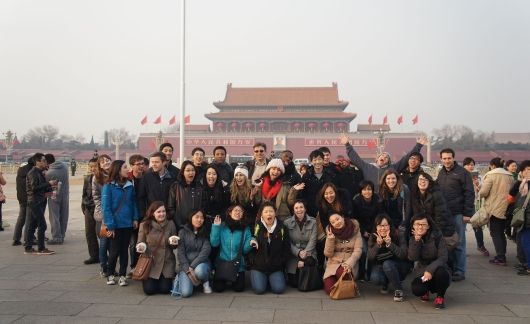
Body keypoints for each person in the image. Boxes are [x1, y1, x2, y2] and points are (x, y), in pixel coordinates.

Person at [340, 133, 427, 192]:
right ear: (377, 159)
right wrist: (347, 144)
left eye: (386, 158)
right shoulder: (367, 167)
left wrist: (418, 145)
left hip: (387, 199)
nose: (384, 157)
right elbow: (356, 159)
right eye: (382, 156)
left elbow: (406, 158)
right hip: (370, 197)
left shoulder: (392, 168)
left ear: (388, 162)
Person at [435, 148, 474, 282]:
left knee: (459, 243)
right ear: (441, 159)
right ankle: (450, 267)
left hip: (458, 213)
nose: (447, 161)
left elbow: (469, 193)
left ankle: (460, 271)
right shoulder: (441, 173)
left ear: (453, 158)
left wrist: (467, 213)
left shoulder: (462, 173)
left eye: (449, 158)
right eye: (444, 158)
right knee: (447, 242)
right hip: (444, 214)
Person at [102, 160, 139, 287]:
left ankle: (123, 275)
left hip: (127, 223)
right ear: (118, 169)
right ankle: (110, 273)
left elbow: (133, 203)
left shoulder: (130, 185)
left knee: (124, 250)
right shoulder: (109, 186)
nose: (127, 169)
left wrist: (135, 218)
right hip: (115, 224)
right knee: (114, 250)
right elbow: (106, 207)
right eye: (124, 167)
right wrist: (110, 225)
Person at [408, 213, 451, 309]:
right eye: (417, 224)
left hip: (438, 268)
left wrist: (430, 270)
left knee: (441, 273)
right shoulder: (413, 238)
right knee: (417, 289)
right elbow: (412, 257)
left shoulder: (438, 236)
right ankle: (425, 291)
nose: (420, 227)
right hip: (422, 270)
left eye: (423, 224)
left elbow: (443, 257)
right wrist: (417, 241)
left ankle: (440, 297)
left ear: (428, 226)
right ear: (413, 226)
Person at [248, 202, 291, 295]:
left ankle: (270, 280)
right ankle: (261, 279)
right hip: (259, 266)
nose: (269, 214)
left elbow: (287, 248)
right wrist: (253, 260)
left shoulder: (282, 227)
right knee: (259, 290)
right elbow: (249, 247)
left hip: (275, 267)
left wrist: (280, 262)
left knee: (279, 289)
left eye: (271, 211)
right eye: (266, 212)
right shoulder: (256, 227)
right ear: (262, 214)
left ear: (275, 213)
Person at [136, 201, 178, 295]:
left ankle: (162, 280)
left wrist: (173, 242)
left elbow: (175, 246)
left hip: (166, 262)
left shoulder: (171, 224)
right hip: (151, 262)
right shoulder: (145, 225)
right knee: (149, 290)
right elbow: (140, 242)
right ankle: (151, 281)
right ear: (153, 213)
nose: (162, 214)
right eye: (159, 212)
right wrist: (141, 246)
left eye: (163, 211)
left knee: (165, 290)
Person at [479, 157, 515, 266]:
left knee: (495, 233)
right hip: (507, 208)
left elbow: (483, 192)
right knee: (501, 233)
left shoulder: (491, 175)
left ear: (492, 165)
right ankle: (502, 254)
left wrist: (479, 190)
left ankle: (500, 257)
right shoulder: (510, 176)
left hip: (495, 208)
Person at [210, 205, 253, 292]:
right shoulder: (222, 226)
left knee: (239, 288)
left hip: (238, 265)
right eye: (235, 210)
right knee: (218, 289)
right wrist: (216, 227)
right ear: (230, 213)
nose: (238, 212)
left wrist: (251, 242)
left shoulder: (246, 228)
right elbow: (214, 244)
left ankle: (231, 278)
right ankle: (225, 278)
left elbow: (244, 250)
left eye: (240, 211)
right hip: (222, 263)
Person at [367, 214, 410, 302]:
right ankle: (386, 283)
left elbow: (403, 254)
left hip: (399, 266)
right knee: (375, 278)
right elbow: (370, 257)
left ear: (390, 225)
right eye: (380, 226)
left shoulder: (398, 234)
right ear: (376, 227)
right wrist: (377, 245)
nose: (383, 228)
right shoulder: (373, 237)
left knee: (387, 264)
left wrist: (390, 244)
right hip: (381, 266)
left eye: (385, 225)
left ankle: (398, 289)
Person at [411, 171, 457, 252]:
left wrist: (434, 234)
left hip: (442, 229)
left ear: (430, 182)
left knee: (441, 253)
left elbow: (441, 217)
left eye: (425, 180)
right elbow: (417, 216)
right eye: (420, 179)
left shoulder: (436, 195)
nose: (422, 182)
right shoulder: (415, 195)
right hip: (427, 228)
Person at [24, 152, 57, 255]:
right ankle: (41, 248)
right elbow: (34, 188)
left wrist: (51, 187)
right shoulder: (33, 172)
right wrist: (48, 184)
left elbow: (40, 187)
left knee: (32, 225)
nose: (45, 162)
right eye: (43, 161)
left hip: (38, 200)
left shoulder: (39, 172)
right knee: (42, 225)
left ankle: (28, 247)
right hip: (35, 201)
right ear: (37, 162)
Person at [323, 214, 362, 295]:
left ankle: (349, 286)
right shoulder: (331, 232)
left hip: (349, 261)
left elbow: (358, 250)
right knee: (330, 289)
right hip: (333, 262)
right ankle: (346, 286)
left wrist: (349, 263)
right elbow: (328, 254)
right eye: (333, 222)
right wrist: (330, 239)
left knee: (342, 272)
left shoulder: (354, 228)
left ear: (343, 218)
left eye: (337, 219)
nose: (336, 223)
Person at [176, 209, 212, 297]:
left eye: (202, 218)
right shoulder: (182, 232)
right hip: (186, 266)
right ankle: (187, 280)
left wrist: (192, 266)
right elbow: (180, 253)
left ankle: (205, 281)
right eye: (197, 217)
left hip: (201, 264)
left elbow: (205, 252)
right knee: (185, 293)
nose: (199, 220)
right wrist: (187, 268)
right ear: (190, 218)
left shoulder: (205, 232)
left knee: (200, 271)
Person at [352, 180, 383, 280]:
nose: (367, 192)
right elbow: (354, 219)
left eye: (369, 189)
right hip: (361, 231)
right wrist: (363, 231)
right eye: (364, 189)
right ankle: (361, 274)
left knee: (372, 252)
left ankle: (369, 273)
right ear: (361, 191)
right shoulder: (356, 201)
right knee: (363, 251)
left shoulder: (378, 200)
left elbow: (380, 218)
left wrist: (374, 232)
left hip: (375, 231)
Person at [284, 200, 318, 289]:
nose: (299, 210)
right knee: (294, 283)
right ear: (293, 210)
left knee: (306, 273)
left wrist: (305, 254)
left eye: (301, 207)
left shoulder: (313, 222)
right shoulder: (287, 223)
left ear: (305, 209)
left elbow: (313, 240)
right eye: (296, 208)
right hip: (294, 254)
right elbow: (287, 242)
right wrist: (298, 252)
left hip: (309, 254)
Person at [296, 150, 338, 219]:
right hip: (311, 210)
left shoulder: (331, 174)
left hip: (328, 208)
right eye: (315, 160)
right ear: (311, 161)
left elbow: (335, 191)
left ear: (323, 160)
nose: (317, 162)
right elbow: (303, 193)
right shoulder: (306, 176)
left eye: (319, 159)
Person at [462, 157, 489, 257]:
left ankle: (480, 245)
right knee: (461, 228)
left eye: (472, 164)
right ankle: (461, 250)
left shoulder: (477, 177)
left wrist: (477, 185)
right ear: (464, 165)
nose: (470, 166)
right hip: (462, 205)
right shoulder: (461, 176)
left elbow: (480, 193)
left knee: (477, 225)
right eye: (468, 164)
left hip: (472, 205)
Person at [137, 152, 175, 219]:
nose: (154, 164)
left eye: (156, 162)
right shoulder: (146, 177)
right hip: (151, 216)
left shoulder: (172, 177)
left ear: (164, 162)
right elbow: (141, 198)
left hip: (167, 216)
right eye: (152, 162)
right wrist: (144, 215)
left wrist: (171, 214)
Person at [167, 160, 203, 230]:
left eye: (193, 170)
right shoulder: (175, 186)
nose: (191, 172)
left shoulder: (199, 187)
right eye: (188, 170)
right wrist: (177, 221)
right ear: (183, 172)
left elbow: (202, 205)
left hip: (195, 225)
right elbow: (170, 207)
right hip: (179, 225)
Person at [509, 160, 530, 275]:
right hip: (523, 219)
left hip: (527, 219)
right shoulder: (521, 184)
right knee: (522, 242)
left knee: (526, 243)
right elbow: (512, 195)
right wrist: (520, 181)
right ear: (521, 172)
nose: (529, 172)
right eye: (527, 169)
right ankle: (525, 263)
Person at [93, 154, 113, 276]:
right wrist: (102, 213)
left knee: (113, 243)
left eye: (108, 160)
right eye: (103, 161)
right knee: (104, 242)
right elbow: (96, 197)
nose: (106, 162)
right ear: (99, 165)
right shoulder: (97, 178)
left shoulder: (115, 175)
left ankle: (111, 266)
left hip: (114, 214)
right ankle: (103, 266)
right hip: (102, 216)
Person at [44, 153, 69, 244]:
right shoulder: (65, 166)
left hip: (53, 195)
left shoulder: (49, 173)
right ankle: (62, 235)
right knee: (64, 215)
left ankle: (56, 237)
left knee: (54, 216)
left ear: (46, 162)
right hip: (65, 194)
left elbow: (45, 185)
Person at [13, 156, 35, 245]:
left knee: (21, 218)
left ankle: (16, 239)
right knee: (29, 219)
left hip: (21, 198)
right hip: (29, 198)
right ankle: (28, 239)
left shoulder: (20, 171)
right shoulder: (31, 173)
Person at [82, 158, 99, 264]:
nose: (92, 168)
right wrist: (83, 206)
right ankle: (94, 255)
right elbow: (84, 193)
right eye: (91, 166)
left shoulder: (104, 179)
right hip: (88, 208)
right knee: (89, 233)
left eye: (95, 166)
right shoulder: (87, 178)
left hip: (99, 209)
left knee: (103, 234)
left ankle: (106, 257)